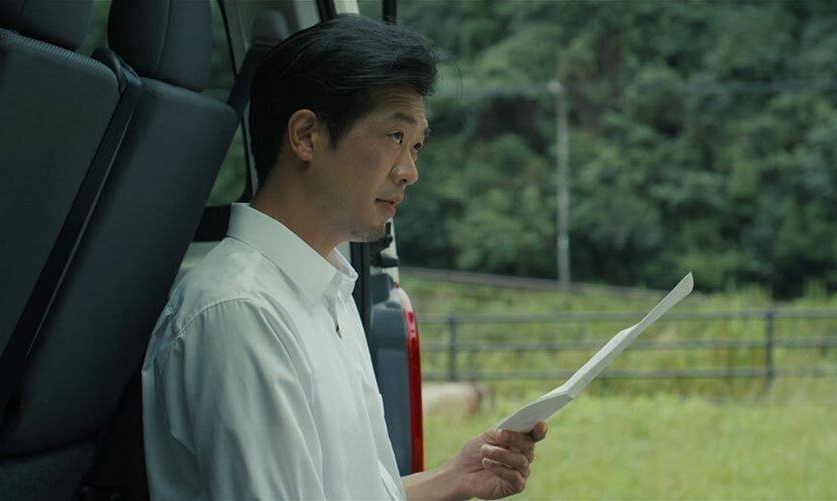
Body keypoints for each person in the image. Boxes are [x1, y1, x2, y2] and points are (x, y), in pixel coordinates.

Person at [141, 14, 547, 500]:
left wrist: (455, 477)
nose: (410, 171)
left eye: (416, 146)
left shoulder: (327, 289)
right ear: (306, 136)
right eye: (395, 137)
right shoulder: (239, 313)